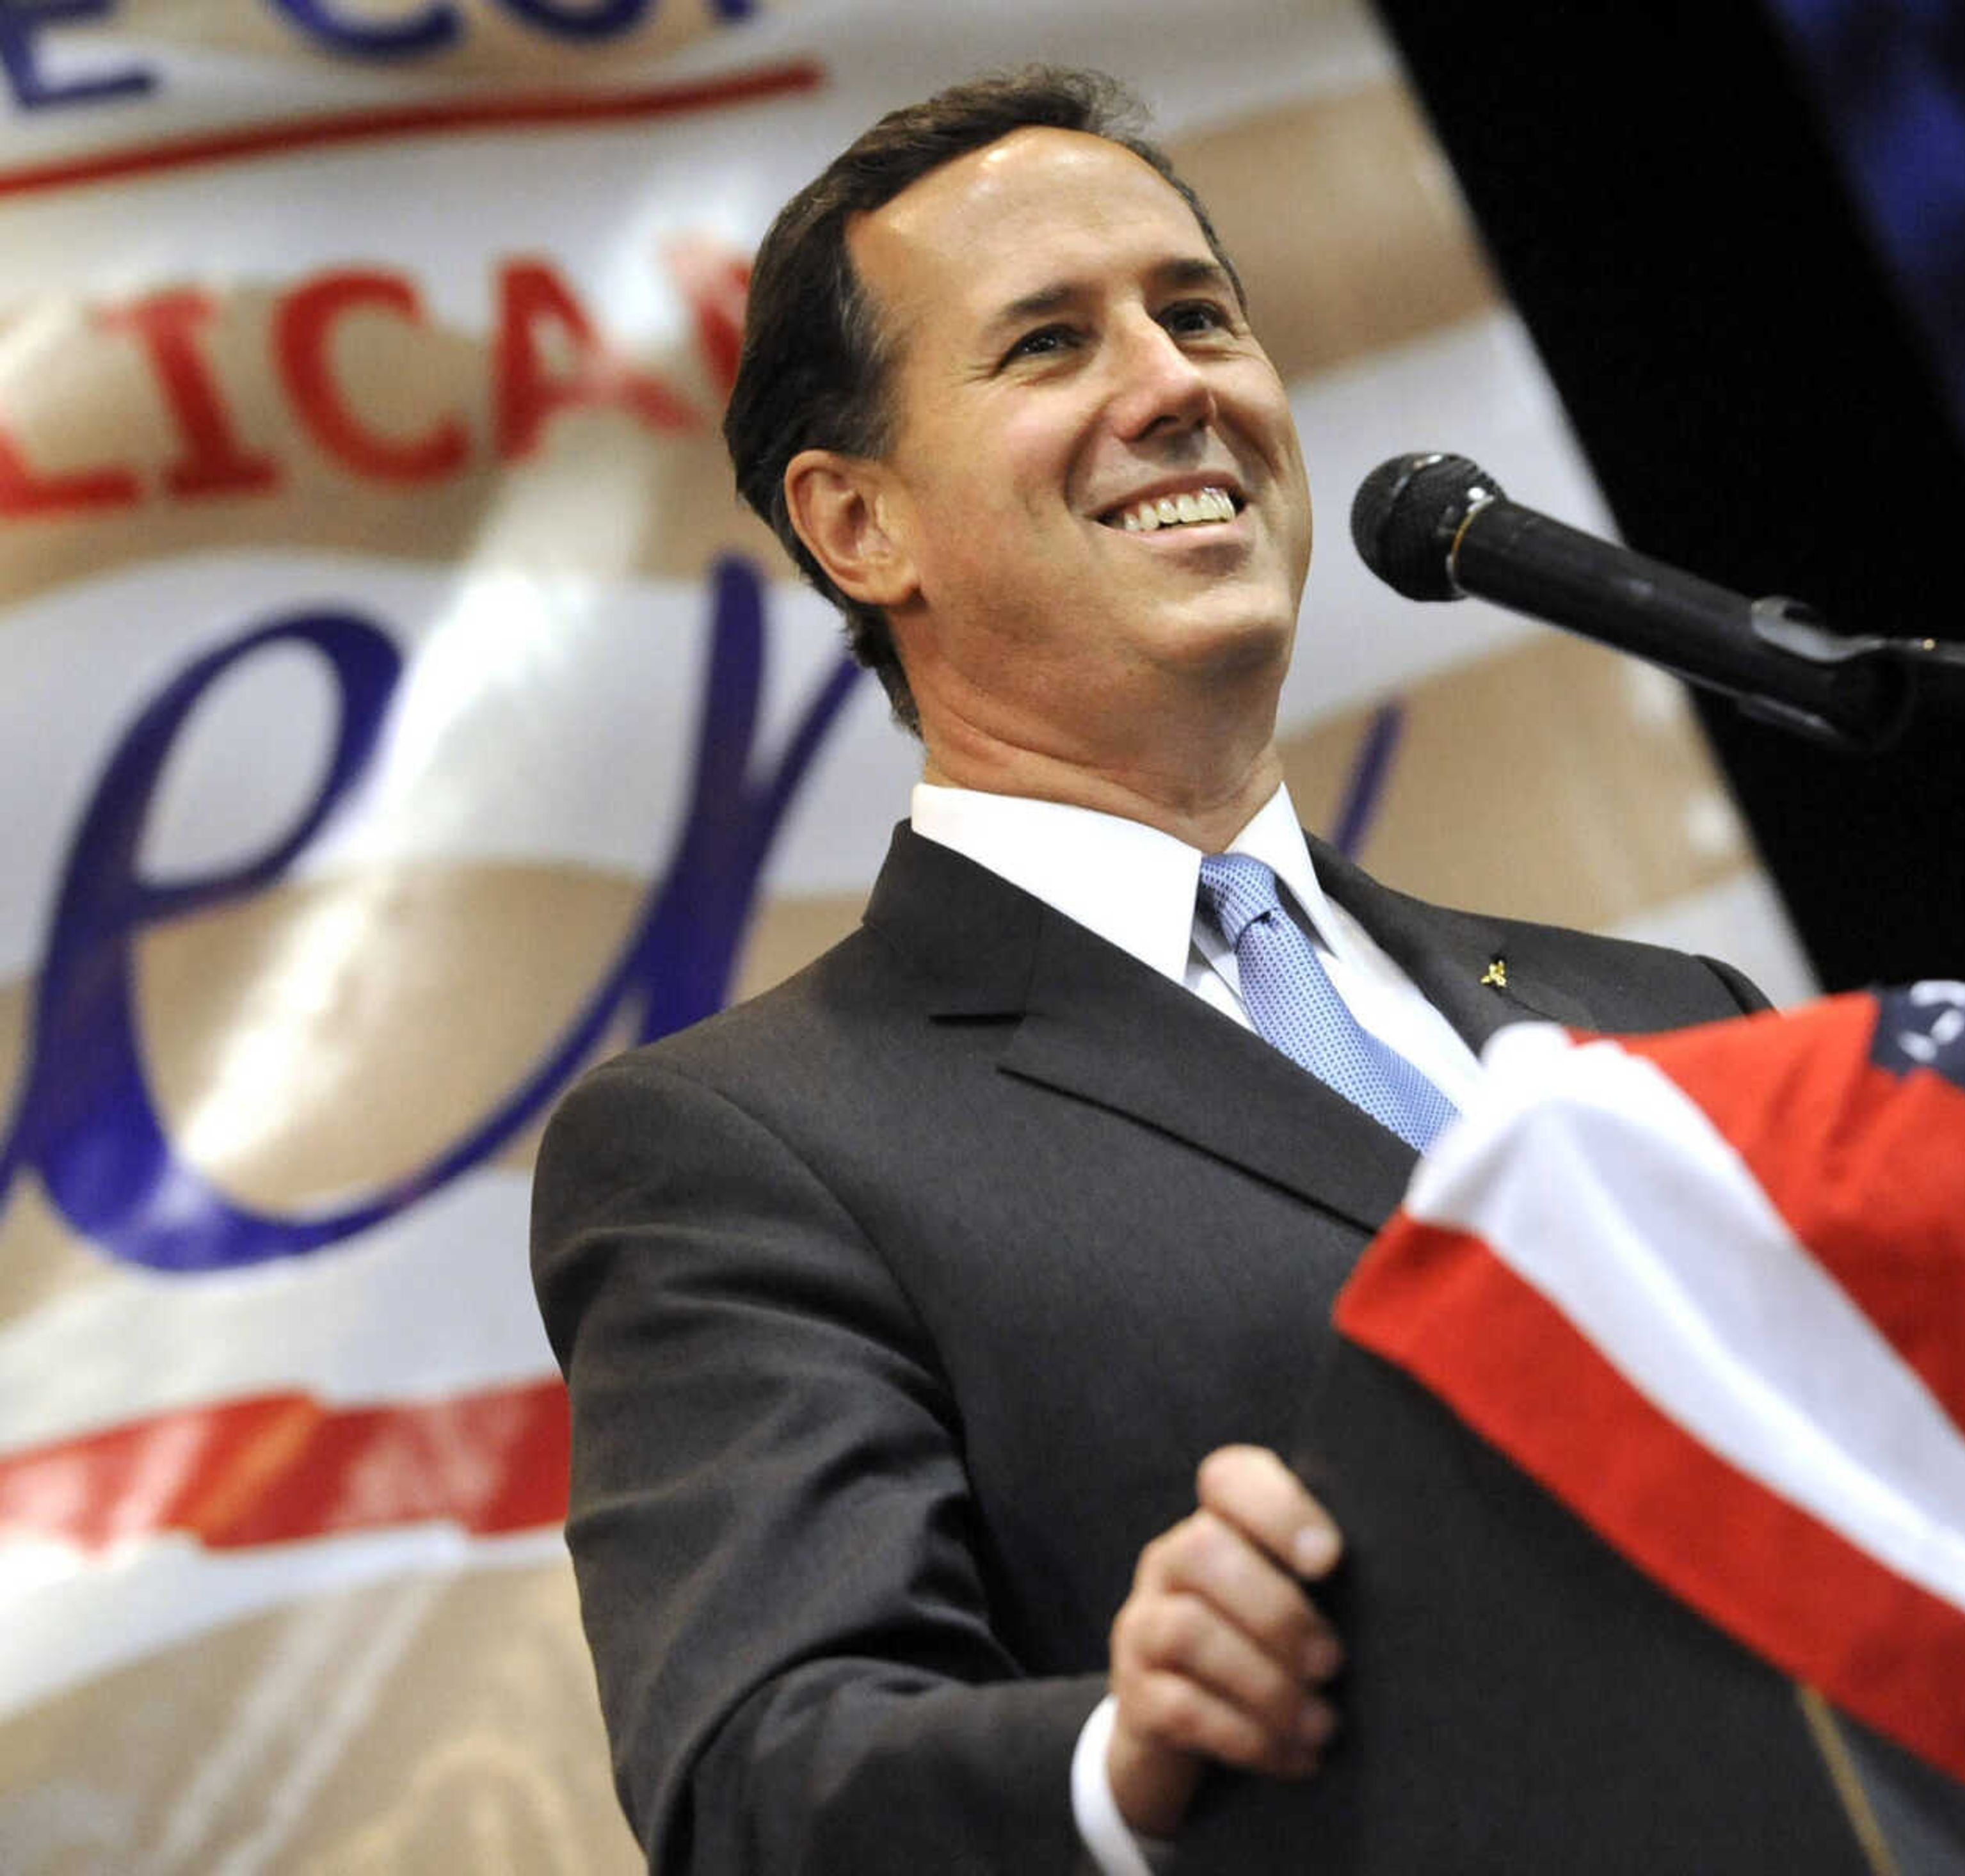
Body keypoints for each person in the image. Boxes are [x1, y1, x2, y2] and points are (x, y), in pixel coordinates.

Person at [530, 67, 1763, 1874]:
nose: (1179, 382)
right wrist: (1129, 1753)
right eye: (1048, 344)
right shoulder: (745, 1148)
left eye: (1198, 315)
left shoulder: (1675, 1019)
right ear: (859, 525)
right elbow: (762, 1777)